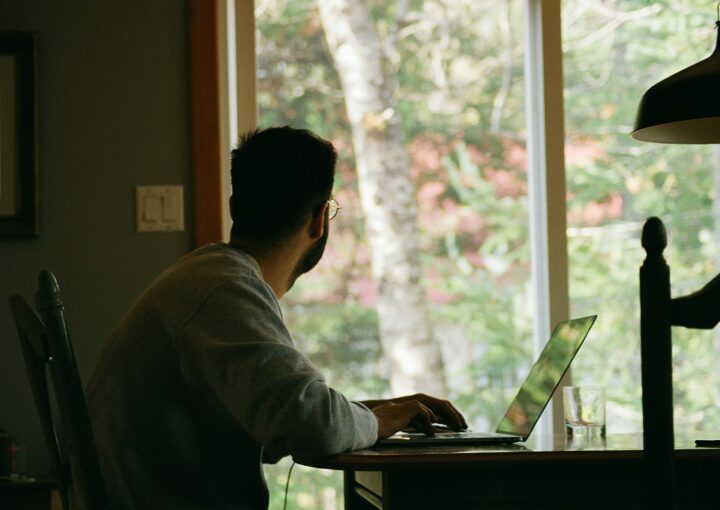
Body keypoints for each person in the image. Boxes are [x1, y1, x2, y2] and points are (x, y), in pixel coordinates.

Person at [76, 126, 467, 509]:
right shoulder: (224, 289)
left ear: (234, 207)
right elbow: (313, 427)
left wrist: (374, 413)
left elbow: (288, 413)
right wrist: (378, 423)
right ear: (319, 220)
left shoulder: (207, 277)